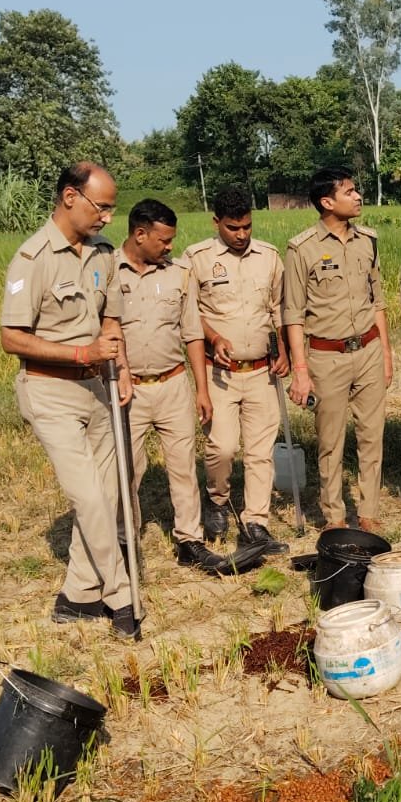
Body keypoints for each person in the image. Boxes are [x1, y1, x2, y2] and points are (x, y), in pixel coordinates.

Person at [0, 162, 139, 640]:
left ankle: (78, 596)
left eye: (111, 209)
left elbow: (111, 317)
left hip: (97, 387)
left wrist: (118, 364)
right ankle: (121, 596)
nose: (107, 217)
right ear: (70, 198)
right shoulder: (33, 258)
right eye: (101, 207)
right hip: (49, 391)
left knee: (111, 493)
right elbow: (12, 338)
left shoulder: (102, 254)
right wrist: (81, 352)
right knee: (88, 498)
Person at [114, 200, 239, 575]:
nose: (170, 247)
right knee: (127, 470)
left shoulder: (178, 274)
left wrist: (201, 389)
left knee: (183, 467)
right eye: (163, 240)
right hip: (128, 389)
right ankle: (125, 544)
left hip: (173, 384)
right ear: (140, 234)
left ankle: (190, 540)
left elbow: (192, 334)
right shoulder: (106, 272)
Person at [283, 167, 393, 532]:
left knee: (371, 434)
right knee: (330, 440)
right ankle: (334, 516)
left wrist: (387, 355)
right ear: (327, 202)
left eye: (356, 190)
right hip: (326, 357)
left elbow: (378, 302)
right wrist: (301, 371)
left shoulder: (368, 241)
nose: (358, 196)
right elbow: (293, 315)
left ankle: (369, 513)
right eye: (350, 192)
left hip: (368, 351)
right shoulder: (302, 249)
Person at [184, 187, 289, 554]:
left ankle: (256, 522)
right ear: (217, 223)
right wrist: (212, 337)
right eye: (233, 228)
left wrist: (285, 350)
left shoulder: (269, 257)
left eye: (246, 226)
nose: (242, 235)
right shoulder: (196, 259)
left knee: (261, 451)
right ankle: (217, 499)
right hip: (219, 373)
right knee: (223, 447)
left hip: (262, 371)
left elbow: (279, 309)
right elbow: (189, 314)